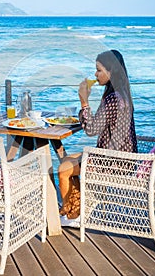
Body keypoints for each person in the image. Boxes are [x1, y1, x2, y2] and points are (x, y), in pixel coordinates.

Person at [58, 49, 137, 224]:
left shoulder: (113, 98)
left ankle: (72, 216)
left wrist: (84, 102)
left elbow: (92, 129)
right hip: (122, 158)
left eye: (99, 70)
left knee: (63, 169)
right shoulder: (122, 93)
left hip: (112, 162)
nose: (95, 74)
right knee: (67, 161)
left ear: (111, 72)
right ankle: (75, 210)